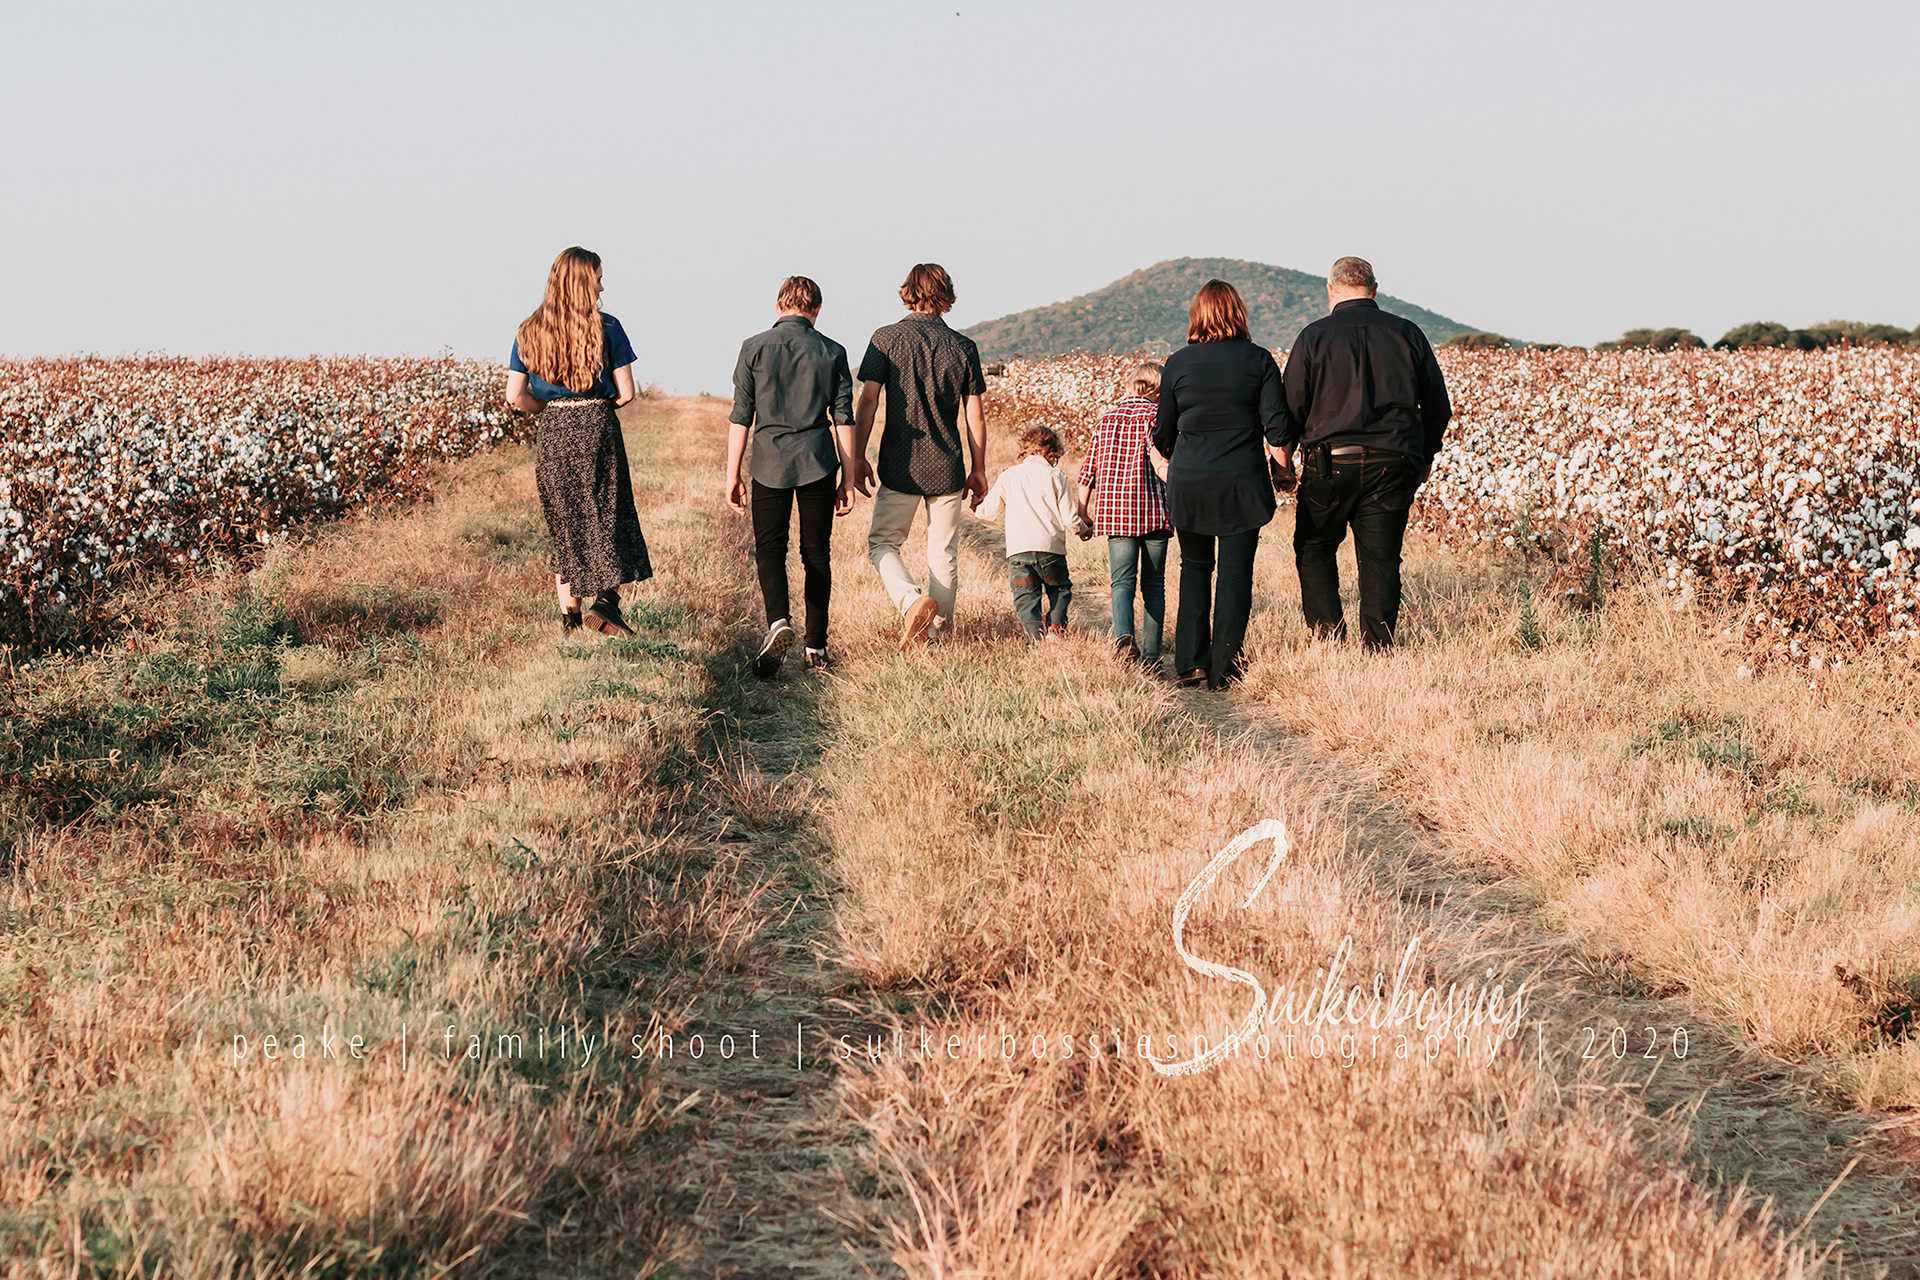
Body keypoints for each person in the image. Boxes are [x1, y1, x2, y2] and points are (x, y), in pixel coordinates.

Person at [1277, 257, 1452, 649]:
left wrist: (1284, 463)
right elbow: (1438, 406)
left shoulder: (1313, 337)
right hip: (1394, 461)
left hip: (1329, 462)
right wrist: (1424, 456)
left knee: (1315, 547)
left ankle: (1329, 639)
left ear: (1331, 290)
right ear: (1374, 289)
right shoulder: (1408, 333)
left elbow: (1291, 409)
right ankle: (1378, 645)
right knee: (1381, 558)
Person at [503, 247, 650, 637]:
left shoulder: (528, 329)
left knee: (565, 522)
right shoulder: (609, 326)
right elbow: (627, 392)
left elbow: (514, 395)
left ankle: (570, 623)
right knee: (609, 513)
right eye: (599, 277)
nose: (603, 285)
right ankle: (606, 601)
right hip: (596, 425)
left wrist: (547, 407)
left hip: (554, 428)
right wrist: (597, 404)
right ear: (585, 281)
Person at [1153, 280, 1292, 690]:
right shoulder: (1259, 360)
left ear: (1197, 316)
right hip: (1241, 483)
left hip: (1191, 482)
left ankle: (1190, 663)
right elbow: (1278, 428)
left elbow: (1163, 432)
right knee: (1235, 574)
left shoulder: (1177, 363)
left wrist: (1172, 456)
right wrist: (1283, 469)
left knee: (1195, 568)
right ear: (1239, 313)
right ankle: (1225, 667)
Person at [726, 276, 859, 676]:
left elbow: (740, 416)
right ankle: (816, 647)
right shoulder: (832, 351)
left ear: (778, 305)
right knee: (816, 552)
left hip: (769, 462)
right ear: (816, 309)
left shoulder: (753, 348)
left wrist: (732, 473)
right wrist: (848, 479)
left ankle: (778, 622)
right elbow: (843, 420)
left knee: (770, 548)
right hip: (817, 462)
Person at [852, 263, 989, 649]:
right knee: (943, 554)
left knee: (882, 544)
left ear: (908, 291)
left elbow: (868, 401)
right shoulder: (963, 347)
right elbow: (974, 414)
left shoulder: (885, 339)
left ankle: (911, 603)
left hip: (901, 464)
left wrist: (858, 456)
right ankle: (936, 639)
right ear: (945, 294)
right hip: (948, 467)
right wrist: (978, 468)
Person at [1075, 361, 1170, 667]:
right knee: (1154, 586)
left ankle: (1124, 639)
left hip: (1116, 514)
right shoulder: (1158, 417)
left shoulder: (1106, 419)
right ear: (1158, 389)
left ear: (1131, 385)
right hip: (1154, 511)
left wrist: (1082, 514)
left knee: (1121, 583)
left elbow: (1088, 472)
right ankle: (1153, 657)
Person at [975, 425, 1089, 641]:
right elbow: (1070, 519)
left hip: (1019, 551)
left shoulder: (1009, 475)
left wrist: (976, 505)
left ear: (1024, 450)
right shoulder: (1057, 477)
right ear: (1053, 453)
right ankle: (1055, 629)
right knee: (1060, 589)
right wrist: (1083, 530)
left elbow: (986, 512)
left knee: (1025, 598)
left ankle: (1034, 638)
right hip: (1050, 549)